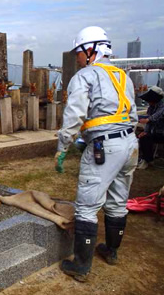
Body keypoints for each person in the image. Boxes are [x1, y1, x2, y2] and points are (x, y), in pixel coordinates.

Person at [55, 26, 138, 282]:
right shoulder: (124, 76)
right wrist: (86, 137)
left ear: (90, 50)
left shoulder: (85, 75)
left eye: (79, 53)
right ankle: (111, 251)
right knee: (117, 200)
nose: (77, 58)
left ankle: (80, 266)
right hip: (130, 144)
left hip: (106, 147)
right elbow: (116, 114)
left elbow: (74, 114)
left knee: (87, 207)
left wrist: (63, 147)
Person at [137, 86, 164, 169]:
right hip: (155, 132)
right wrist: (145, 131)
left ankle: (147, 160)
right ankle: (147, 159)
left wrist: (148, 120)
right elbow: (149, 123)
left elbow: (157, 116)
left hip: (162, 133)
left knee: (146, 138)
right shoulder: (151, 108)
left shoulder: (162, 106)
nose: (148, 102)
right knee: (143, 137)